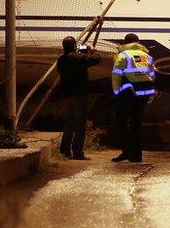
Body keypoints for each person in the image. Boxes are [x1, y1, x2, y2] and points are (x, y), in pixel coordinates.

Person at [111, 33, 155, 163]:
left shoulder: (123, 55)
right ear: (138, 42)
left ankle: (127, 151)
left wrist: (116, 91)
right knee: (136, 123)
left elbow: (116, 75)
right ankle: (137, 155)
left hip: (128, 92)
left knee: (120, 122)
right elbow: (152, 74)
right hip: (144, 92)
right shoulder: (147, 56)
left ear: (125, 43)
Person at [56, 36, 101, 160]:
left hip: (66, 94)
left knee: (69, 123)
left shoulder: (61, 59)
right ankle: (77, 152)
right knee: (80, 124)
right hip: (79, 94)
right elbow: (96, 59)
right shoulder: (79, 57)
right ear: (75, 46)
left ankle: (64, 150)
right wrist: (92, 50)